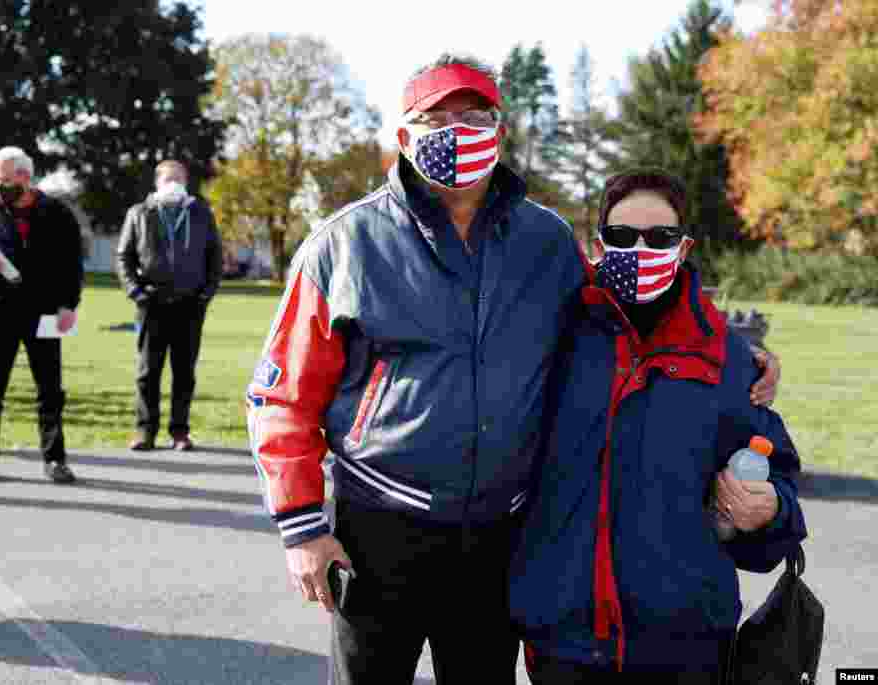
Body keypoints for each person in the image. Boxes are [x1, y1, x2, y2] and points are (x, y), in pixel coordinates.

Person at [246, 56, 781, 684]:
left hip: (499, 537)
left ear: (499, 132)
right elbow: (282, 396)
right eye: (434, 119)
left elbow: (627, 311)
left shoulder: (546, 240)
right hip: (377, 529)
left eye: (473, 117)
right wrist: (301, 529)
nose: (455, 131)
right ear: (402, 137)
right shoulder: (344, 244)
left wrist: (738, 354)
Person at [508, 169, 808, 683]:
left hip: (687, 648)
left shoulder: (727, 354)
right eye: (622, 237)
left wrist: (771, 511)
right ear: (597, 245)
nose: (641, 250)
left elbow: (774, 475)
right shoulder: (553, 335)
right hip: (566, 641)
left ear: (684, 246)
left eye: (660, 238)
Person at [0, 146, 84, 484]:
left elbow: (73, 265)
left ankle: (55, 459)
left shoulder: (56, 212)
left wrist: (69, 305)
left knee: (50, 388)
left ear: (26, 177)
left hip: (45, 310)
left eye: (6, 180)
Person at [116, 159, 223, 452]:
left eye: (179, 179)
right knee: (147, 371)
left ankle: (180, 432)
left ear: (186, 183)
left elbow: (215, 257)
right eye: (168, 179)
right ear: (157, 182)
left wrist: (205, 294)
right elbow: (124, 256)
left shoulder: (201, 213)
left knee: (184, 371)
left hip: (190, 305)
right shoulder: (139, 213)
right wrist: (136, 292)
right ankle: (144, 432)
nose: (173, 184)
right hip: (151, 304)